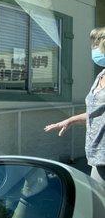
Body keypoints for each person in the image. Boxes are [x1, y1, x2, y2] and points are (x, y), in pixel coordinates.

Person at [45, 27, 105, 185]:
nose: (93, 49)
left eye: (96, 44)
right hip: (96, 156)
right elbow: (96, 114)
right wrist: (70, 121)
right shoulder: (101, 75)